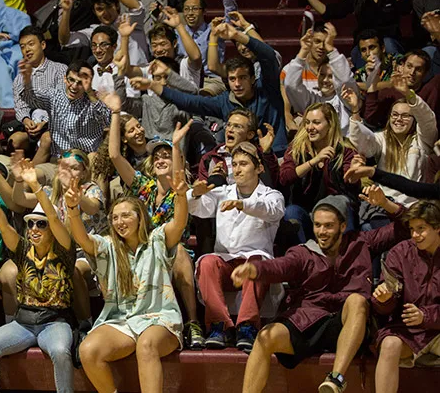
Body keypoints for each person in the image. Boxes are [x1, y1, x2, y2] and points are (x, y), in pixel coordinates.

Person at [230, 191, 408, 393]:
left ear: (342, 226)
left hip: (349, 325)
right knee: (264, 336)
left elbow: (406, 226)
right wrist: (255, 270)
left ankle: (336, 379)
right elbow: (281, 266)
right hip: (308, 321)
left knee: (357, 301)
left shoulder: (362, 242)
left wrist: (385, 203)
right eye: (317, 225)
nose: (322, 231)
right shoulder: (303, 252)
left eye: (328, 226)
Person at [73, 159, 188, 393]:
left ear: (139, 217)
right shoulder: (109, 246)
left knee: (146, 343)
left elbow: (179, 224)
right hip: (122, 320)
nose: (119, 222)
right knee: (88, 350)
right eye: (115, 217)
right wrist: (73, 210)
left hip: (159, 318)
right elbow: (83, 239)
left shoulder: (157, 239)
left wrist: (181, 196)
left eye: (125, 216)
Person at [107, 92, 204, 349]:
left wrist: (175, 146)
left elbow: (180, 179)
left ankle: (193, 323)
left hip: (171, 253)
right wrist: (116, 113)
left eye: (167, 156)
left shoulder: (182, 190)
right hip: (145, 255)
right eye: (157, 156)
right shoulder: (144, 187)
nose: (161, 159)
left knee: (181, 250)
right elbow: (116, 156)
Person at [0, 165, 76, 393]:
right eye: (30, 223)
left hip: (55, 321)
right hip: (23, 322)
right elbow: (4, 226)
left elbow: (54, 218)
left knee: (60, 351)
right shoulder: (22, 250)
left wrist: (37, 187)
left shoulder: (64, 251)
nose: (34, 228)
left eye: (41, 224)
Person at [133, 22, 287, 156]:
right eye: (232, 79)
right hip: (239, 159)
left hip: (274, 154)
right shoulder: (224, 101)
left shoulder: (267, 88)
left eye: (243, 78)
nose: (237, 84)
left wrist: (238, 35)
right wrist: (153, 85)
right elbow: (190, 102)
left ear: (253, 79)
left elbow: (269, 56)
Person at [188, 142, 285, 352]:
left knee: (256, 264)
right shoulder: (223, 192)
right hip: (226, 262)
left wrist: (243, 205)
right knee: (206, 261)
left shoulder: (272, 195)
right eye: (236, 164)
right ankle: (218, 326)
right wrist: (195, 194)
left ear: (259, 168)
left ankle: (247, 327)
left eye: (244, 164)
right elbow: (200, 209)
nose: (238, 169)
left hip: (254, 263)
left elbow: (271, 211)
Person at [11, 148, 106, 321]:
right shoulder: (50, 192)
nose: (69, 171)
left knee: (73, 269)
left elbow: (92, 207)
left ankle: (85, 323)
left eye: (75, 168)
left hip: (86, 253)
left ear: (84, 171)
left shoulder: (91, 189)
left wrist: (77, 196)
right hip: (55, 253)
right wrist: (18, 180)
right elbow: (19, 199)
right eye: (65, 166)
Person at [372, 200, 440, 393]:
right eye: (412, 229)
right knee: (389, 344)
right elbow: (387, 305)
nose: (415, 235)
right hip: (406, 331)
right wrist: (384, 299)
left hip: (437, 330)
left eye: (421, 229)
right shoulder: (400, 252)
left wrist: (425, 317)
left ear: (438, 228)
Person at [286, 0, 411, 68]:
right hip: (364, 44)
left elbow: (406, 9)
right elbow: (328, 11)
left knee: (389, 44)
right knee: (360, 51)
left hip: (388, 43)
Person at [346, 74, 437, 207]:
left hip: (412, 207)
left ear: (414, 120)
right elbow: (362, 142)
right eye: (394, 115)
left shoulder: (422, 140)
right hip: (383, 203)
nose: (398, 119)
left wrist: (408, 94)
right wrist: (355, 110)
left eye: (405, 116)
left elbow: (427, 119)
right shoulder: (381, 138)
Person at [280, 102, 360, 243]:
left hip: (335, 211)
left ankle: (346, 258)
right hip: (306, 209)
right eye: (307, 122)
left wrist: (354, 172)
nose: (310, 128)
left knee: (343, 204)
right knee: (291, 211)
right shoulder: (298, 148)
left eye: (316, 123)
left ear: (330, 124)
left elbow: (351, 185)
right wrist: (313, 161)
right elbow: (285, 178)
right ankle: (303, 259)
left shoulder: (345, 151)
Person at [19, 59, 110, 158]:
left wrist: (90, 93)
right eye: (71, 80)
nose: (74, 86)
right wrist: (27, 80)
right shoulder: (55, 96)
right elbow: (30, 99)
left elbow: (107, 121)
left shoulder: (94, 99)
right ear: (65, 79)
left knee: (92, 157)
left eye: (80, 83)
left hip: (85, 160)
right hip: (60, 158)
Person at [283, 26, 358, 136]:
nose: (326, 80)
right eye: (322, 75)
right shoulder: (312, 101)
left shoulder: (345, 100)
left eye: (331, 76)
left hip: (343, 147)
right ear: (317, 75)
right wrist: (303, 51)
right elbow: (291, 85)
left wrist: (331, 49)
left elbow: (345, 80)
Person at [9, 25, 65, 161]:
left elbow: (61, 103)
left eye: (31, 44)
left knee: (47, 138)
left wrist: (45, 122)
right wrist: (26, 120)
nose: (26, 50)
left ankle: (29, 172)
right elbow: (20, 105)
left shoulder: (60, 70)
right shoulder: (19, 77)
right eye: (22, 46)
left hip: (55, 125)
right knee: (15, 140)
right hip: (32, 127)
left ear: (43, 45)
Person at [197, 108, 278, 189]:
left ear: (250, 134)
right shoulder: (208, 158)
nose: (230, 130)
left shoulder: (259, 155)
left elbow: (275, 184)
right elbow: (204, 195)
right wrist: (215, 181)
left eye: (237, 127)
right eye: (228, 125)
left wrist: (267, 153)